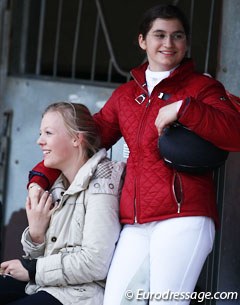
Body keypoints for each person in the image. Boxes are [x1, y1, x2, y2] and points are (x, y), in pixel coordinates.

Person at [26, 4, 240, 305]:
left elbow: (235, 130)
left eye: (177, 36)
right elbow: (84, 139)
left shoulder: (202, 88)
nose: (168, 44)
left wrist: (184, 108)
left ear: (187, 42)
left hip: (184, 216)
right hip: (135, 223)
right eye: (159, 35)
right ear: (143, 40)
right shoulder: (126, 96)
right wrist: (41, 176)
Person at [0, 102, 125, 305]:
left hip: (80, 295)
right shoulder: (57, 184)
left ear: (76, 138)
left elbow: (95, 263)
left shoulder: (102, 185)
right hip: (46, 285)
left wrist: (32, 269)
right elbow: (42, 256)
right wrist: (36, 235)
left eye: (48, 133)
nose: (40, 141)